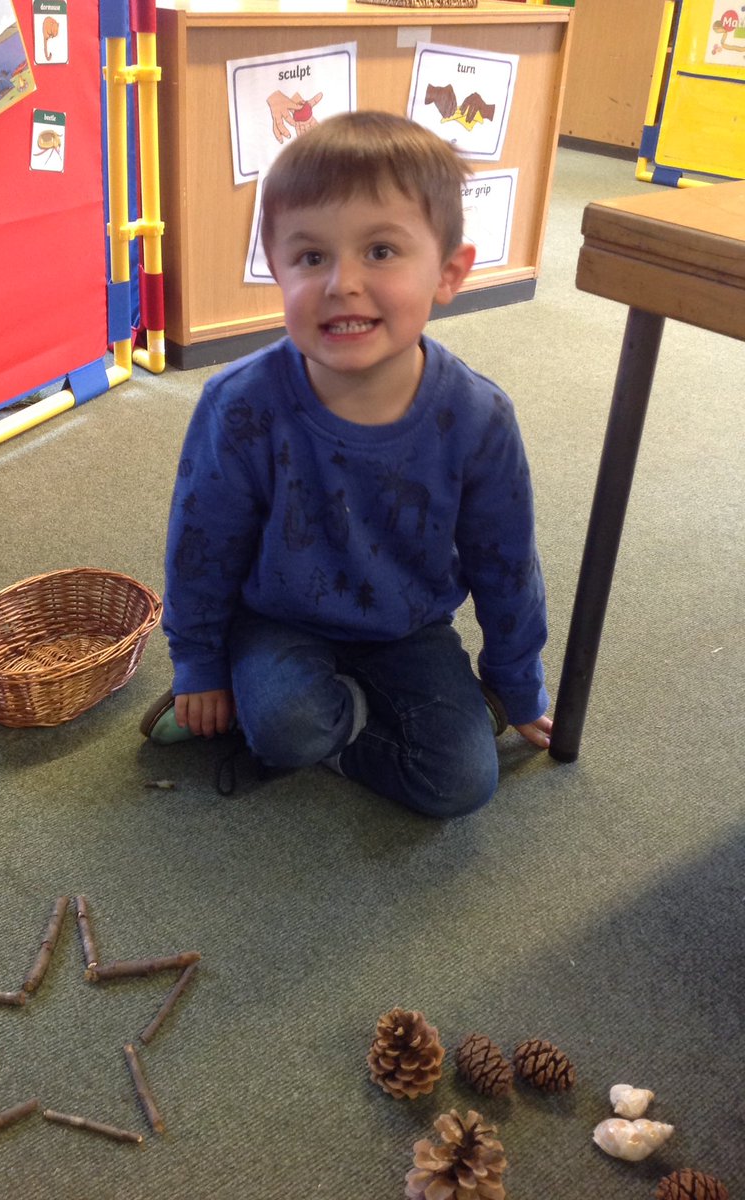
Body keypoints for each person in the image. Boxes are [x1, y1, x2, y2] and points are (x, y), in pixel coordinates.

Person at [142, 110, 551, 818]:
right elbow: (202, 545)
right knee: (288, 727)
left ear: (449, 273)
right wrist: (199, 664)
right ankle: (246, 700)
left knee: (461, 782)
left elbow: (506, 563)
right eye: (311, 258)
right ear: (275, 269)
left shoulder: (480, 417)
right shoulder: (240, 404)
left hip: (409, 629)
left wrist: (514, 683)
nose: (342, 283)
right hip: (277, 619)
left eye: (382, 252)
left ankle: (303, 713)